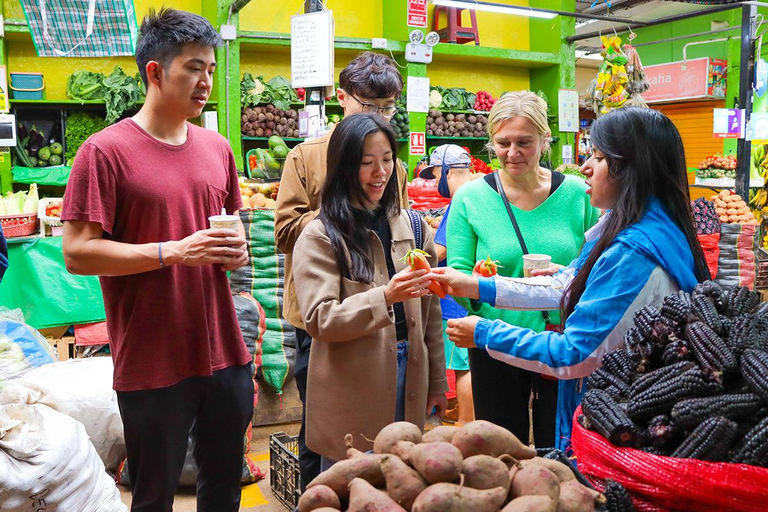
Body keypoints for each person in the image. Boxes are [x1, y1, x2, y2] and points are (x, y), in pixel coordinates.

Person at [61, 9, 253, 511]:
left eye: (211, 68)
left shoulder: (218, 149)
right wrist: (172, 252)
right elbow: (78, 253)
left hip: (224, 351)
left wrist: (237, 251)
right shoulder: (104, 152)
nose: (206, 80)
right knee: (153, 496)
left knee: (224, 490)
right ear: (155, 71)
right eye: (193, 67)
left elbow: (234, 240)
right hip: (152, 358)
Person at [434, 107, 710, 452]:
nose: (585, 168)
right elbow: (566, 282)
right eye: (503, 142)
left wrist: (485, 332)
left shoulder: (632, 254)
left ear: (631, 168)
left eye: (598, 157)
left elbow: (575, 355)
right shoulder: (627, 226)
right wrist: (478, 286)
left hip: (615, 412)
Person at [274, 51, 409, 486]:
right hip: (322, 305)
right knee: (326, 421)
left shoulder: (394, 164)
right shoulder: (307, 155)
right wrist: (338, 210)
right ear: (341, 98)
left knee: (379, 419)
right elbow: (284, 232)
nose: (379, 115)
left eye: (387, 108)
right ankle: (315, 494)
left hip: (381, 310)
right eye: (368, 106)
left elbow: (394, 226)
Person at [291, 114, 448, 467]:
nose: (381, 172)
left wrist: (437, 380)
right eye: (367, 163)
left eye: (387, 160)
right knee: (355, 484)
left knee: (402, 478)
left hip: (411, 369)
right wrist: (386, 296)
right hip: (352, 385)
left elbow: (430, 311)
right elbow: (320, 319)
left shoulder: (412, 225)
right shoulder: (321, 236)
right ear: (345, 167)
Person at [446, 91, 600, 447]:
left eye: (524, 142)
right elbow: (458, 270)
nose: (512, 153)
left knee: (562, 443)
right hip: (495, 342)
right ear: (491, 143)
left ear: (545, 140)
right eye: (503, 143)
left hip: (564, 343)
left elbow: (595, 261)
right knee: (501, 448)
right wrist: (481, 297)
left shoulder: (578, 194)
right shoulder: (470, 198)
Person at [418, 144, 475, 425]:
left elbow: (438, 252)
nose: (434, 181)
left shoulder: (459, 202)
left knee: (463, 366)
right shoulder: (478, 195)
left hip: (455, 300)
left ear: (447, 172)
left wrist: (414, 252)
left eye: (436, 173)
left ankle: (467, 423)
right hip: (473, 292)